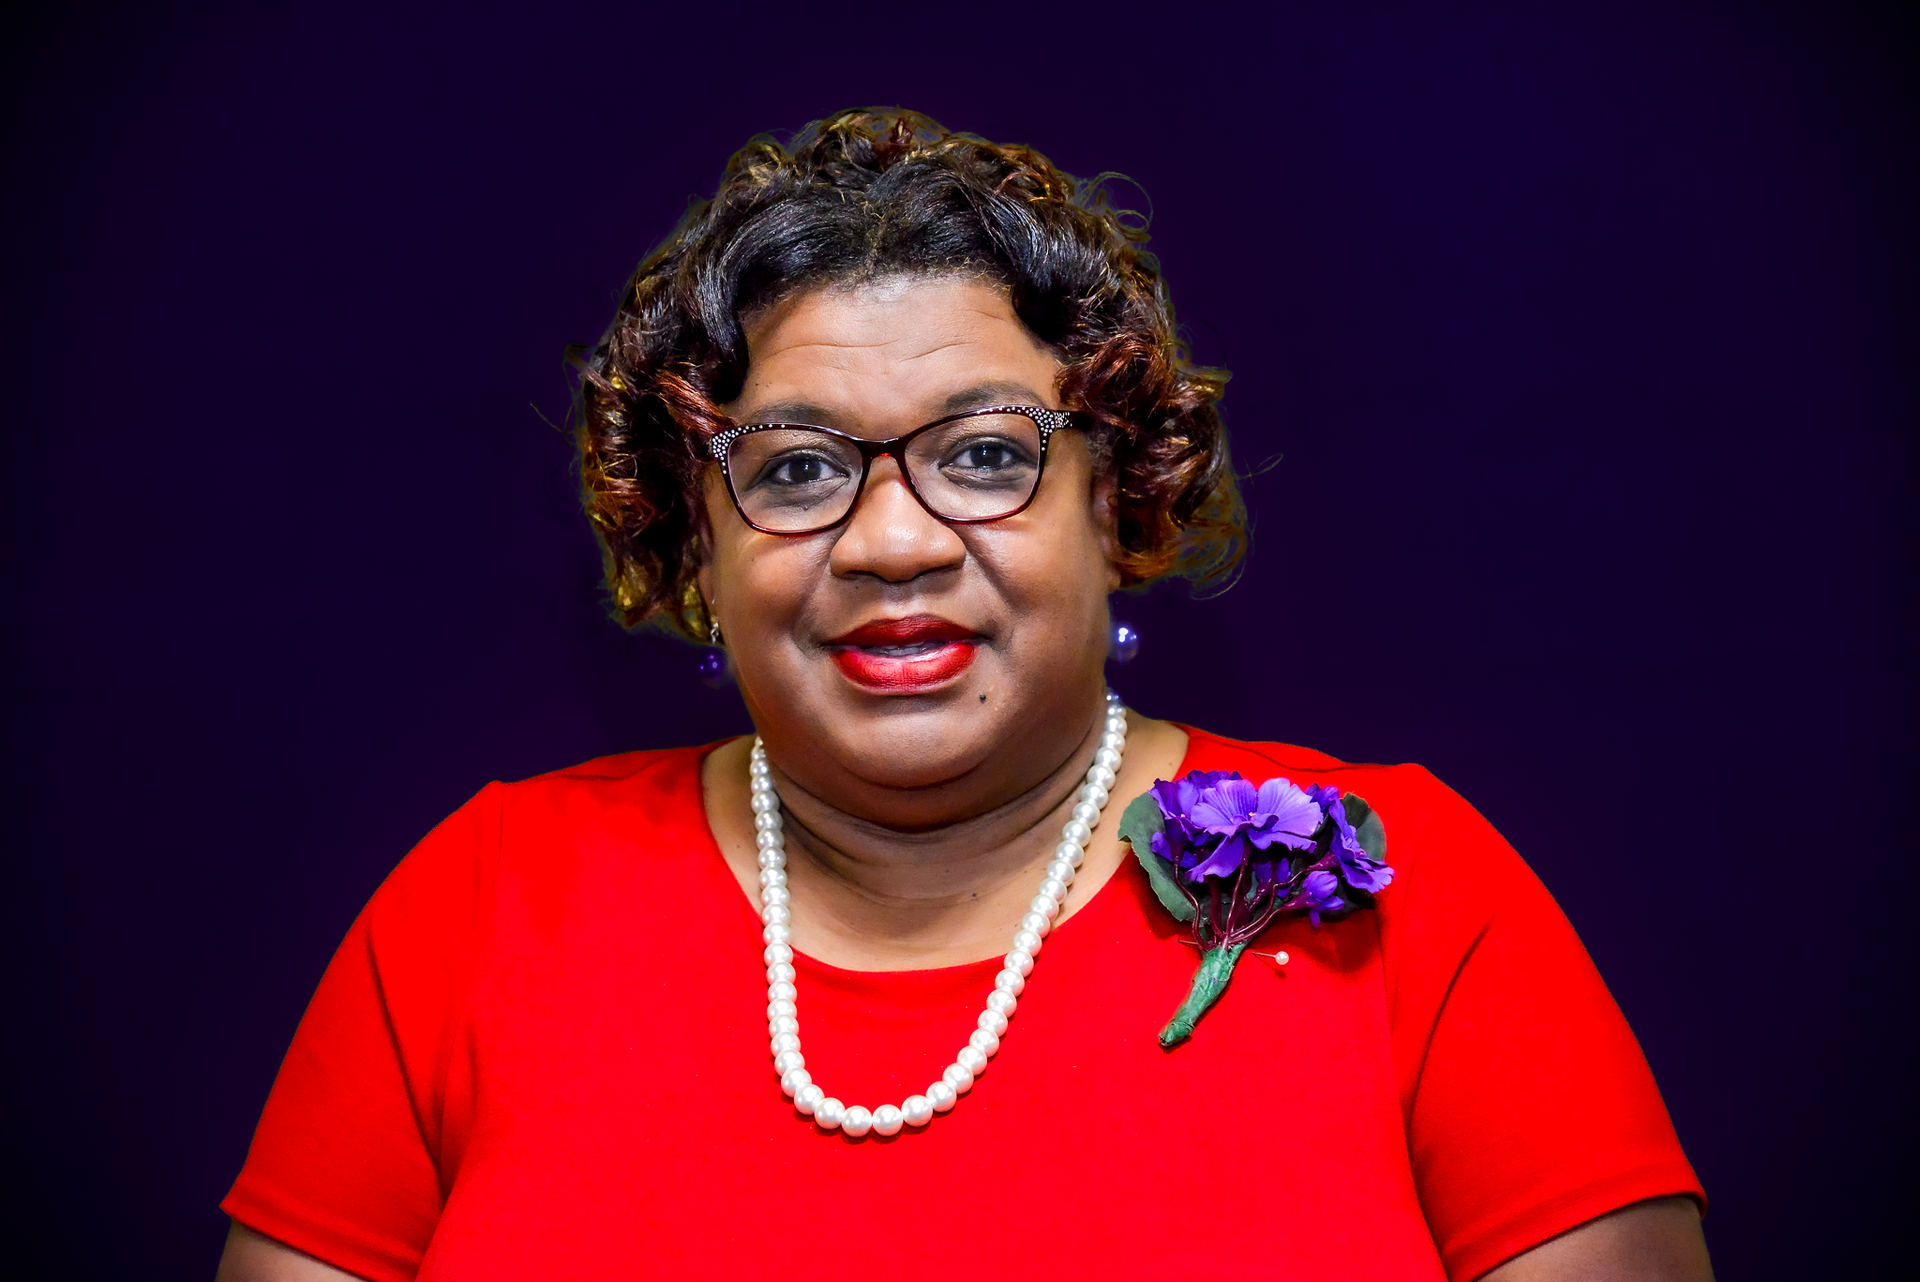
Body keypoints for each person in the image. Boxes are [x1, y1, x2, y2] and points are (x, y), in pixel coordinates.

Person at [216, 110, 1712, 1281]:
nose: (892, 539)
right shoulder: (475, 909)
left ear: (1116, 499)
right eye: (797, 468)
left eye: (985, 452)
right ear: (697, 545)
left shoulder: (1417, 898)